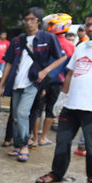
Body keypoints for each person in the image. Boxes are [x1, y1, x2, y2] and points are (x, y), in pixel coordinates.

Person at [36, 9, 92, 183]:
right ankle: (56, 173)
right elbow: (70, 74)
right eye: (88, 24)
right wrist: (62, 98)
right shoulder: (82, 47)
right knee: (62, 141)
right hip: (71, 104)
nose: (90, 28)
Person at [0, 7, 66, 162]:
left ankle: (24, 146)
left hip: (32, 83)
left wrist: (45, 71)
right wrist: (0, 86)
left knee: (22, 114)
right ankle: (18, 145)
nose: (28, 22)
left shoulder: (48, 38)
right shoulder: (17, 40)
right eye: (26, 19)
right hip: (15, 83)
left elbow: (61, 58)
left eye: (32, 19)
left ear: (39, 21)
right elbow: (8, 64)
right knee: (15, 117)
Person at [30, 13, 75, 147]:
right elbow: (70, 70)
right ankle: (43, 137)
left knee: (37, 109)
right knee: (50, 111)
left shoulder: (44, 40)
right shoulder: (70, 45)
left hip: (41, 81)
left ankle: (35, 137)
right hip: (57, 84)